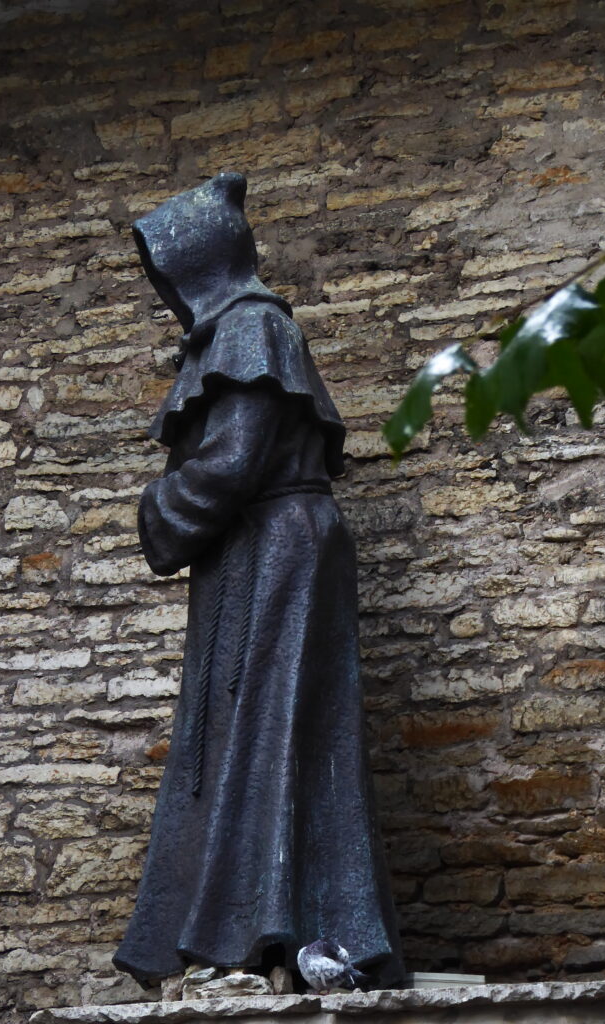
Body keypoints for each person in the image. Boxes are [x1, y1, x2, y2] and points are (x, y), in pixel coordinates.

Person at [112, 172, 404, 989]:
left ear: (198, 265)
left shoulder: (253, 326)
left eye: (168, 270)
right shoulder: (240, 331)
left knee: (273, 730)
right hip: (261, 549)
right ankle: (253, 928)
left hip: (279, 549)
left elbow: (234, 459)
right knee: (251, 732)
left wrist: (158, 511)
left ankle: (277, 930)